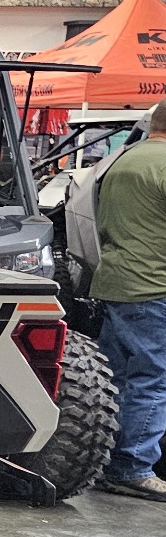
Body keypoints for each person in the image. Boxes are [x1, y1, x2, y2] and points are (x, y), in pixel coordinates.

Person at [92, 98, 166, 500]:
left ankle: (102, 461)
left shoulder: (122, 159)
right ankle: (133, 467)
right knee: (153, 380)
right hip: (156, 286)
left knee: (115, 379)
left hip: (118, 282)